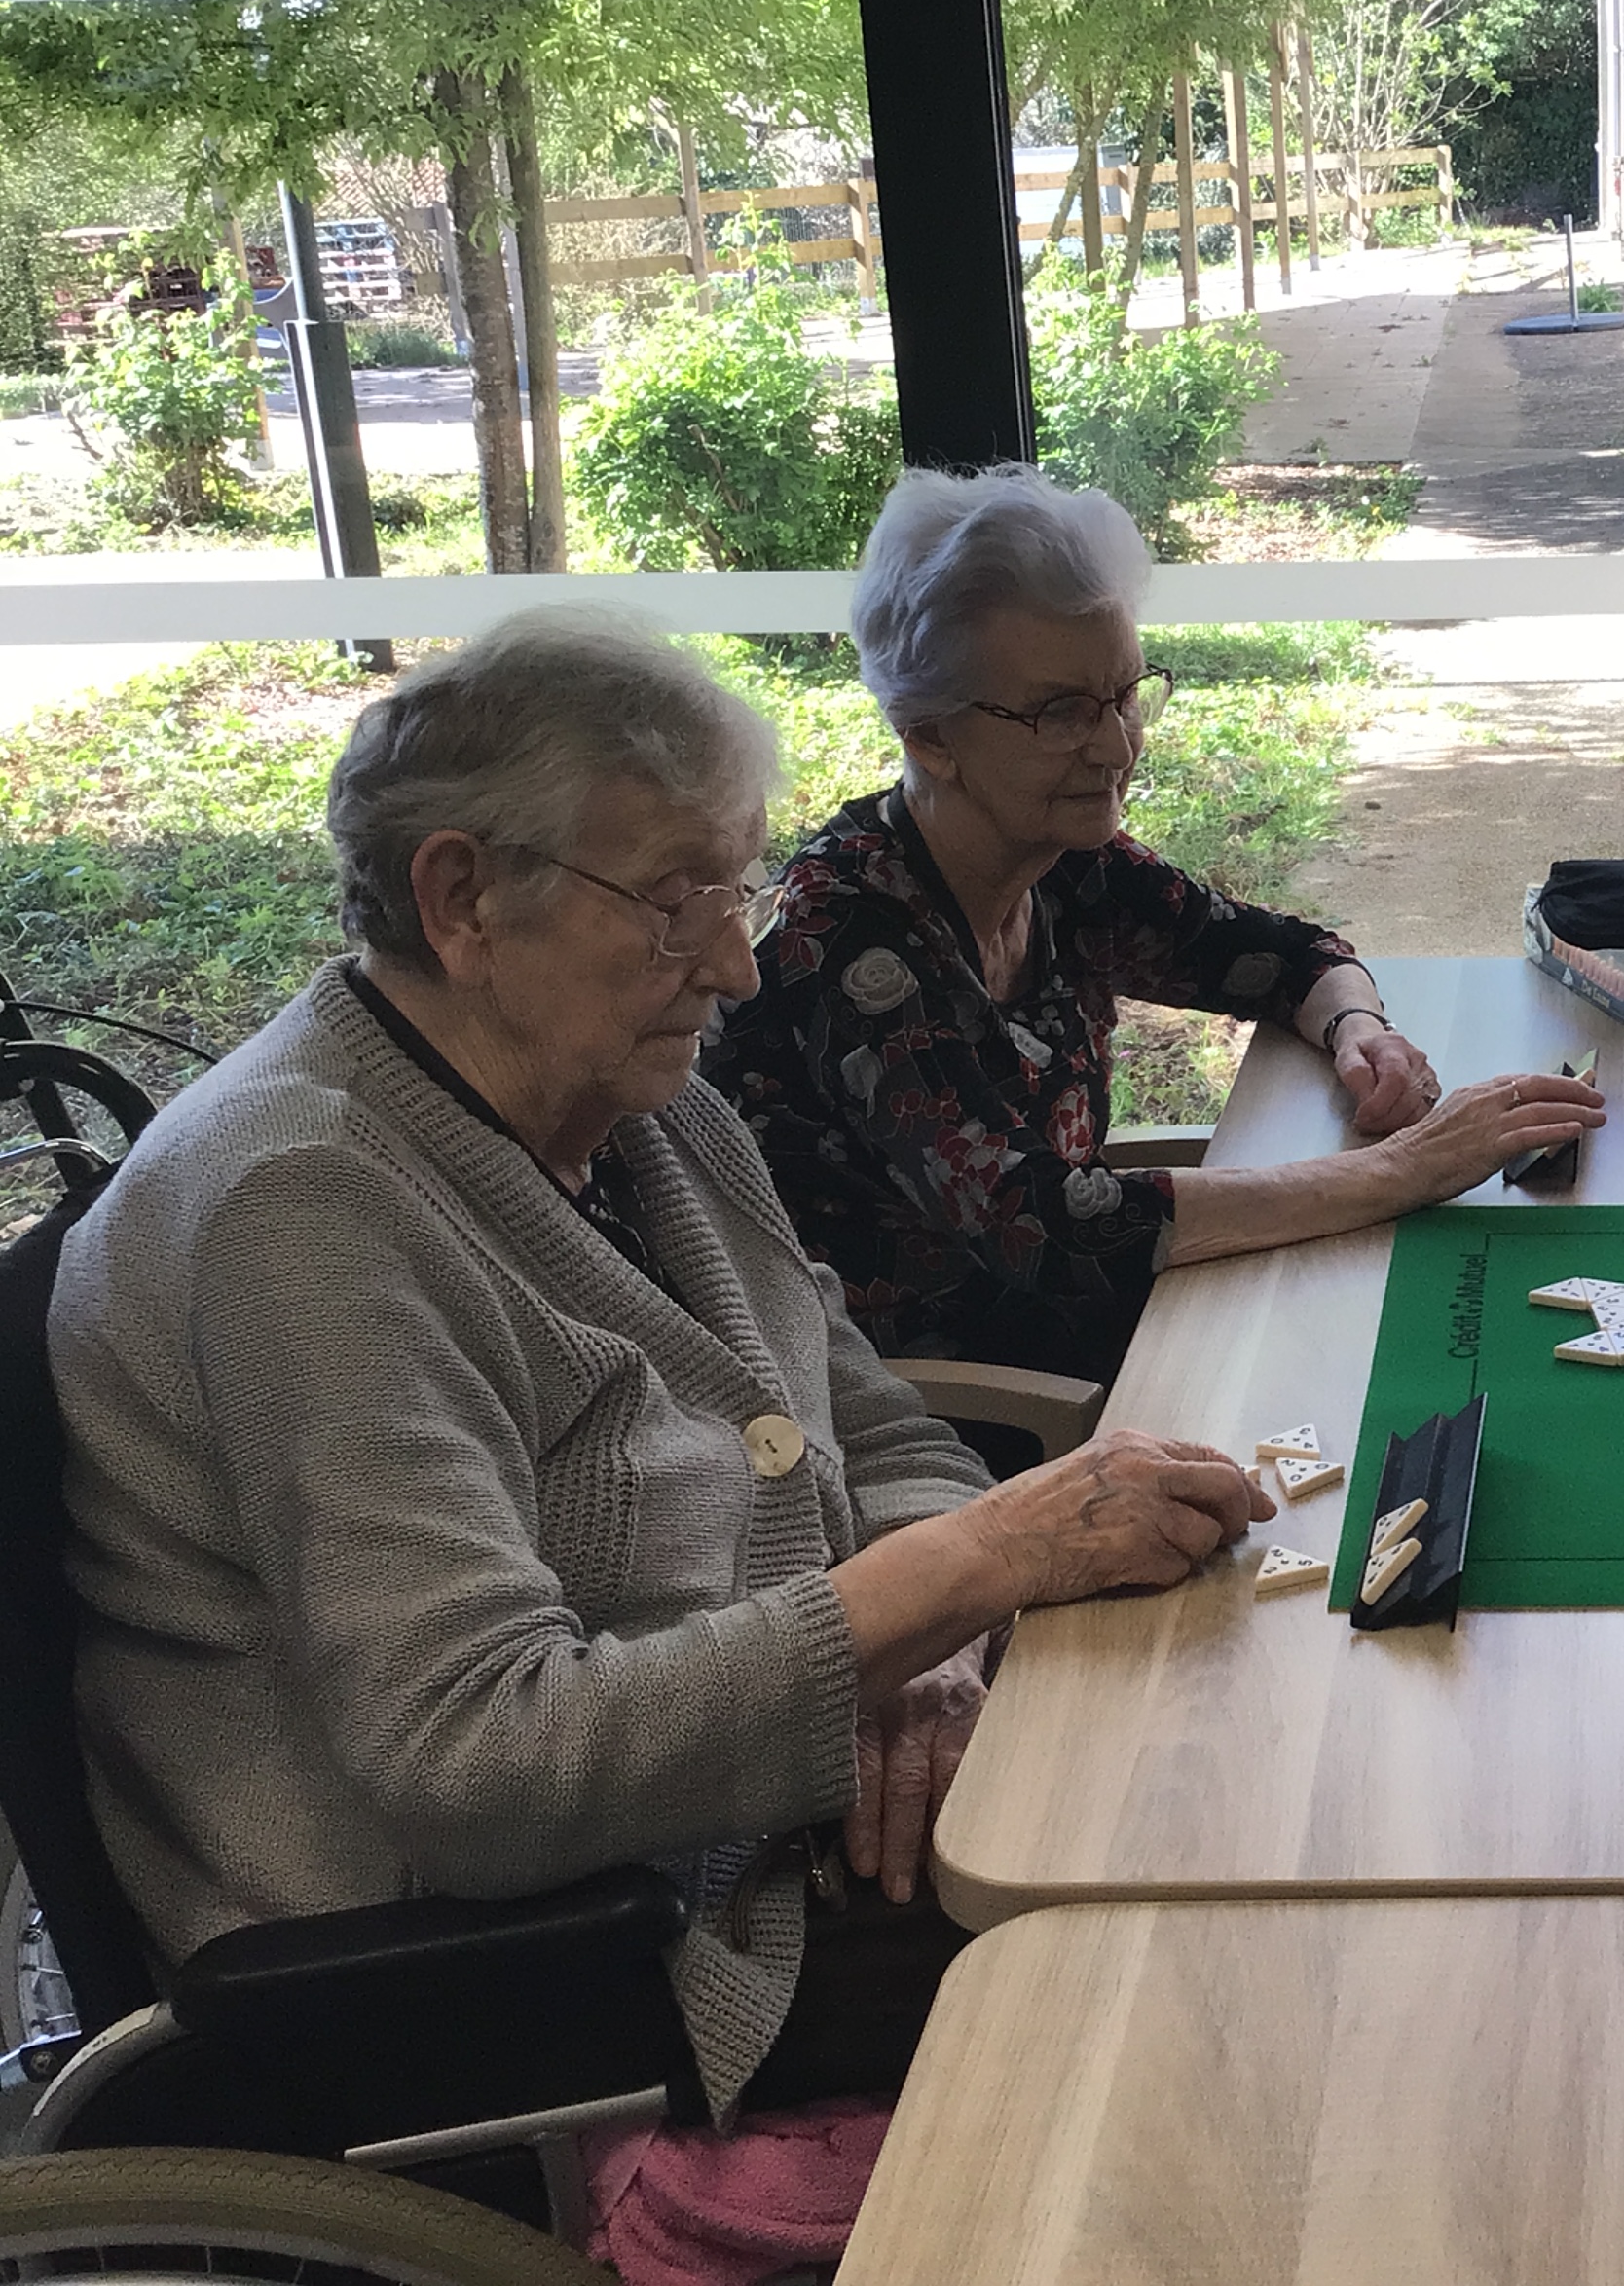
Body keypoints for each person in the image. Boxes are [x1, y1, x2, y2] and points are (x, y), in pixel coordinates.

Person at [47, 612, 1275, 2131]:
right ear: (461, 899)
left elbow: (873, 1418)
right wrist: (971, 1567)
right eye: (679, 898)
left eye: (735, 887)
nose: (737, 965)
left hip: (764, 1834)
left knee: (1239, 1748)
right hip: (553, 1971)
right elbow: (477, 1768)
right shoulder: (301, 1213)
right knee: (1208, 1933)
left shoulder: (635, 1099)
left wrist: (926, 1649)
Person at [707, 464, 1603, 1383]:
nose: (1118, 746)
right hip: (952, 1406)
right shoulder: (843, 938)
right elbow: (1051, 1231)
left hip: (1104, 1330)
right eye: (1061, 713)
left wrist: (1359, 1031)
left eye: (1126, 694)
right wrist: (1409, 1167)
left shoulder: (1065, 859)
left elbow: (1287, 958)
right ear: (928, 733)